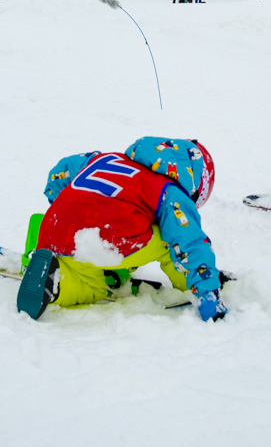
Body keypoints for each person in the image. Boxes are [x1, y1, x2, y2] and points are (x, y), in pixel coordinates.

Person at [16, 137, 226, 323]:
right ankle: (191, 285)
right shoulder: (169, 190)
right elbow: (189, 240)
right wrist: (207, 289)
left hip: (54, 229)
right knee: (170, 238)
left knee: (90, 283)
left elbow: (59, 173)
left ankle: (52, 278)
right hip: (108, 238)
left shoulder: (105, 159)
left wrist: (63, 206)